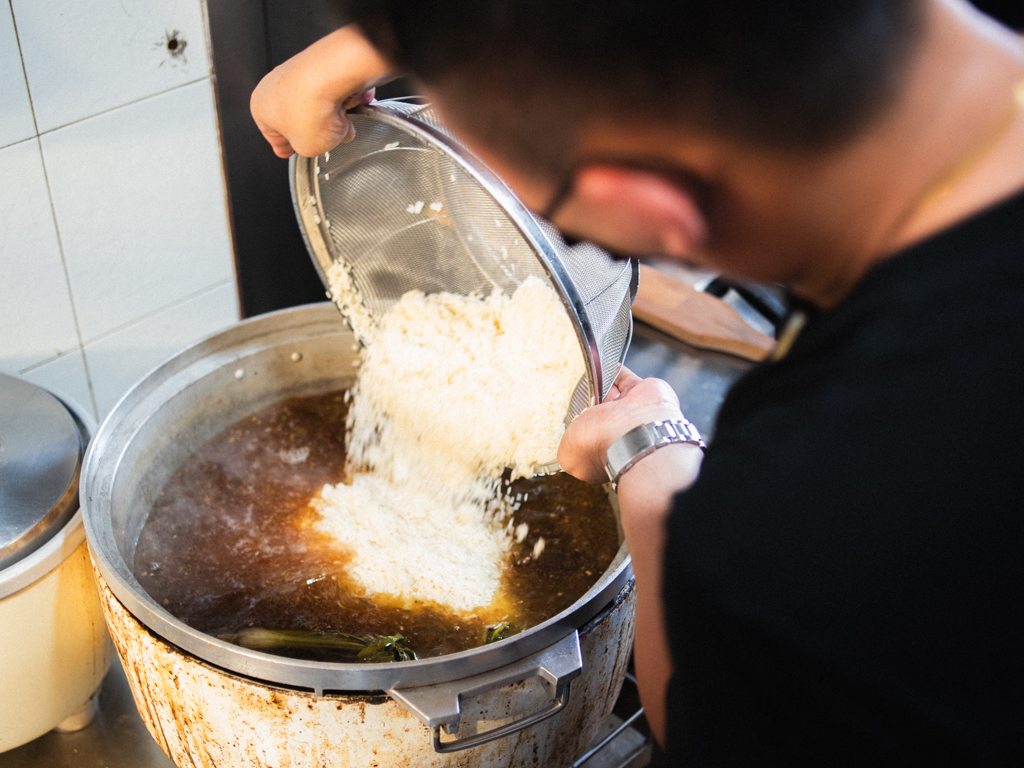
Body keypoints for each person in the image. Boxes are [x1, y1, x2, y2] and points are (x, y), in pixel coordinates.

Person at [251, 0, 1024, 762]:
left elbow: (687, 709)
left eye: (567, 231)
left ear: (652, 214)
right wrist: (383, 38)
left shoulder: (794, 532)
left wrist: (653, 459)